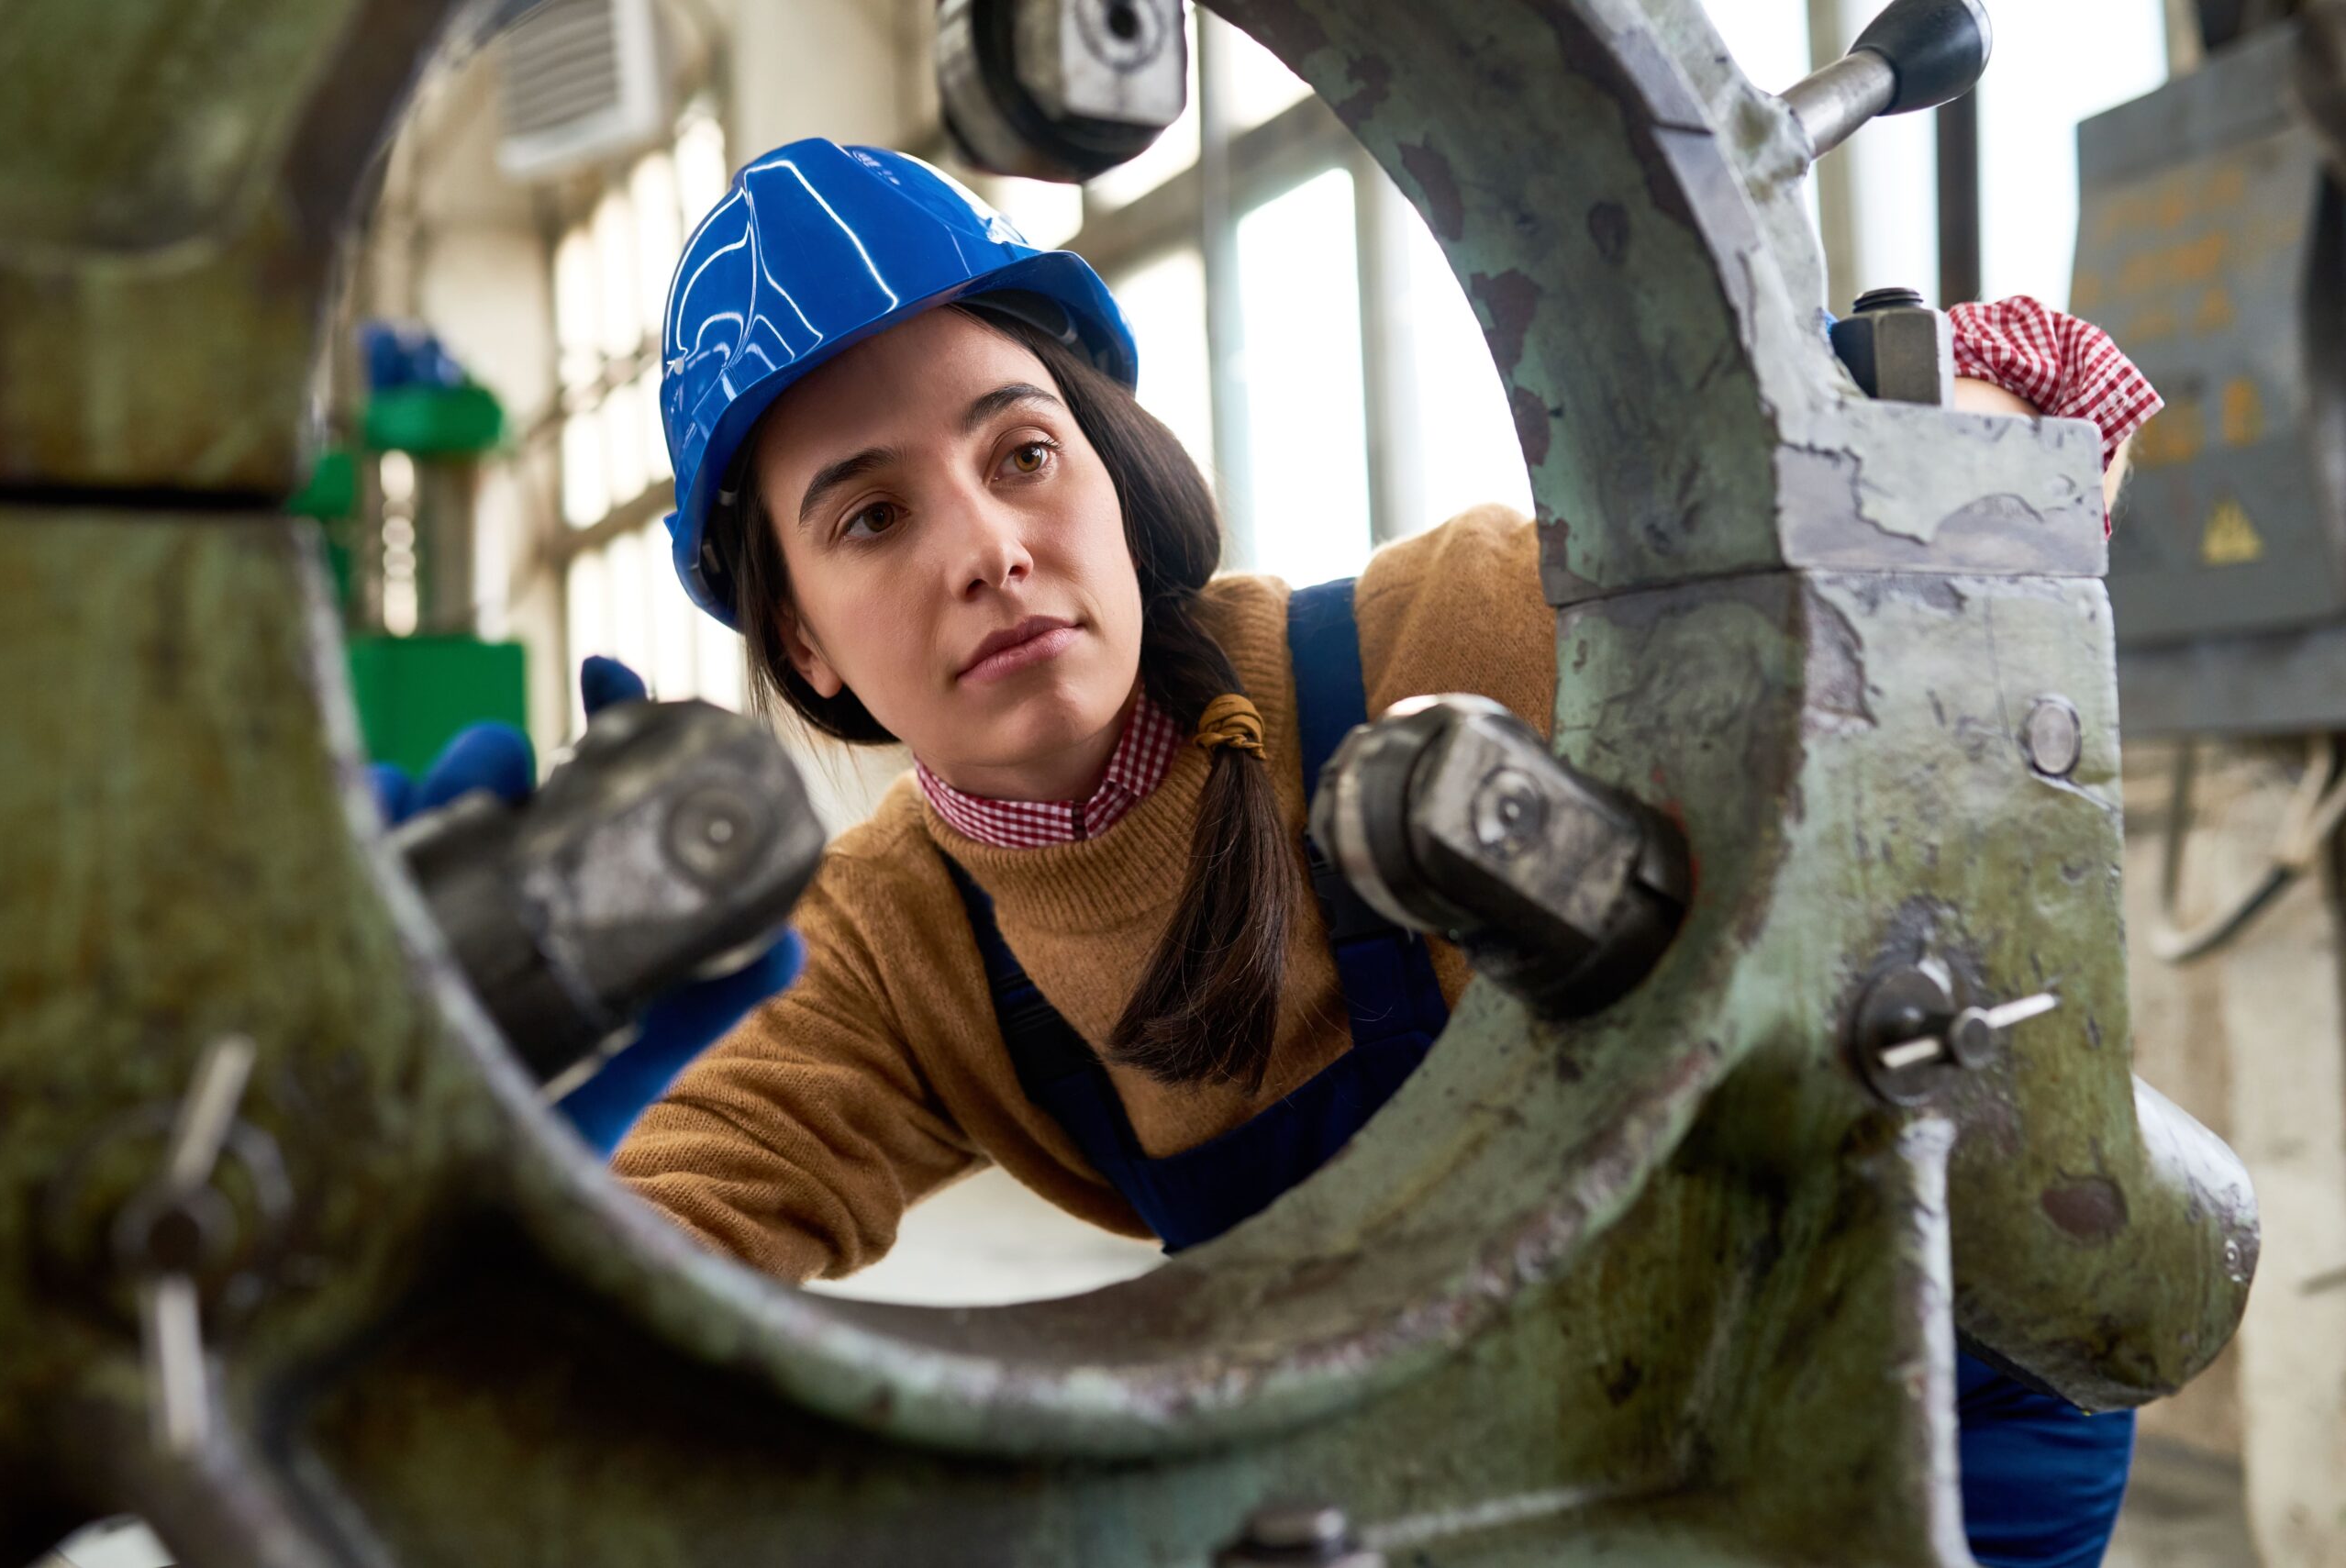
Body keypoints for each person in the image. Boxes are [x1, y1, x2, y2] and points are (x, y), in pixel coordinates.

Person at [543, 138, 2153, 1563]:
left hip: (1916, 1365)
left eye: (1020, 451)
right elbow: (607, 1280)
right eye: (870, 518)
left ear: (1110, 471)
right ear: (805, 643)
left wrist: (1854, 434)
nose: (989, 547)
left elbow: (2052, 397)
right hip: (1562, 1425)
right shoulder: (888, 952)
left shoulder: (1444, 635)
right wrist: (490, 1079)